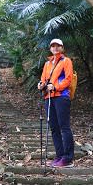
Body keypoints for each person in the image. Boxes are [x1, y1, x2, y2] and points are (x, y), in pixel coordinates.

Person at [37, 38, 75, 168]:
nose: (55, 48)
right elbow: (43, 79)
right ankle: (59, 156)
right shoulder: (47, 64)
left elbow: (68, 79)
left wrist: (55, 87)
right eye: (53, 46)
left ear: (62, 48)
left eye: (58, 46)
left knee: (64, 127)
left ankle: (68, 158)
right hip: (48, 98)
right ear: (50, 48)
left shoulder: (66, 61)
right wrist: (41, 85)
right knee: (54, 128)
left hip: (61, 97)